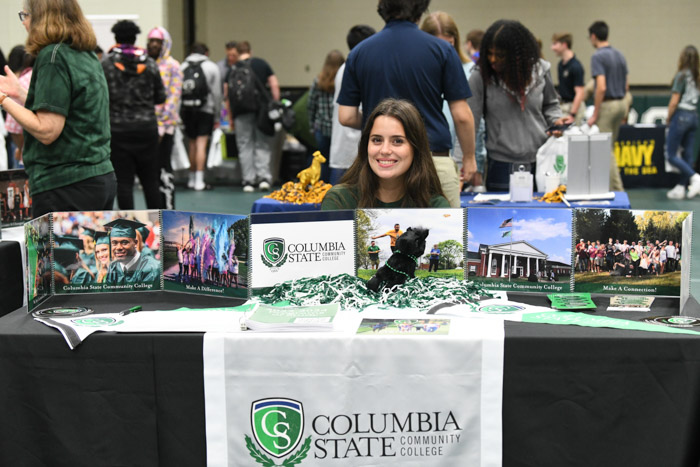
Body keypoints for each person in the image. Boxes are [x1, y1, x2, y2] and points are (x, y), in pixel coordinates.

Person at [337, 0, 476, 209]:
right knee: (445, 235)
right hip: (434, 161)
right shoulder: (442, 50)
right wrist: (469, 157)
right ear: (421, 11)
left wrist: (378, 127)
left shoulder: (358, 53)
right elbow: (462, 115)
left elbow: (346, 116)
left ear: (383, 10)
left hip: (381, 169)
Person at [0, 0, 116, 217]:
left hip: (65, 183)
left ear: (41, 18)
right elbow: (65, 110)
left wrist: (3, 99)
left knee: (61, 253)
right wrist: (19, 95)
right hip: (97, 178)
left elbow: (47, 131)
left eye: (25, 15)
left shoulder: (52, 56)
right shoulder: (85, 54)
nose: (24, 23)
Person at [468, 19, 566, 191]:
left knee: (543, 216)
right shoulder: (481, 77)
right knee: (504, 218)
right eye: (489, 53)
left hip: (541, 161)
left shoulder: (540, 70)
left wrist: (556, 120)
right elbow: (470, 122)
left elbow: (551, 105)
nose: (492, 60)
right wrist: (465, 162)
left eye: (500, 55)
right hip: (501, 167)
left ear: (517, 56)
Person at [322, 98, 450, 210]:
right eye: (377, 140)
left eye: (397, 141)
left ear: (416, 148)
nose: (385, 150)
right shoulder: (340, 200)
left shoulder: (436, 206)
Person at [420, 11, 487, 192]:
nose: (443, 51)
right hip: (428, 152)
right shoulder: (419, 70)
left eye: (448, 44)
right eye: (437, 45)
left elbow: (471, 120)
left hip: (457, 154)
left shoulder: (469, 70)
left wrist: (470, 159)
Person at [102, 20, 165, 210]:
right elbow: (160, 96)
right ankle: (160, 226)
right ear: (135, 38)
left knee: (124, 182)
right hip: (147, 129)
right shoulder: (150, 64)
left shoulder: (106, 64)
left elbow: (101, 97)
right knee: (151, 181)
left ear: (116, 38)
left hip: (118, 130)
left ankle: (128, 228)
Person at [227, 41, 280, 192]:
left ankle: (248, 181)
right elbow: (274, 85)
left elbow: (227, 95)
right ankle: (263, 178)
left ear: (237, 52)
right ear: (250, 50)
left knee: (245, 145)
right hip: (261, 111)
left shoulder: (233, 68)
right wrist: (274, 104)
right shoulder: (261, 64)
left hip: (240, 112)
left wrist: (230, 117)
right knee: (262, 143)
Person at [329, 25, 376, 185]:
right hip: (351, 150)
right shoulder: (356, 67)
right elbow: (350, 116)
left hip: (343, 149)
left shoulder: (345, 67)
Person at [587, 21, 627, 192]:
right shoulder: (619, 55)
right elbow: (626, 85)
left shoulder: (598, 56)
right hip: (621, 104)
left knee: (605, 150)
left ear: (593, 36)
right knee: (609, 148)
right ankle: (610, 188)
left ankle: (617, 192)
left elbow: (601, 87)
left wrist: (595, 113)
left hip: (608, 106)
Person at [147, 26, 182, 209]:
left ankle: (168, 209)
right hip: (145, 126)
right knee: (149, 173)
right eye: (151, 40)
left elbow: (173, 98)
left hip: (164, 128)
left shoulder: (173, 66)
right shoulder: (144, 63)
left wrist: (161, 125)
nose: (153, 44)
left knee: (163, 168)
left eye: (157, 41)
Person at [180, 43, 221, 191]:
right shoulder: (211, 67)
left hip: (187, 109)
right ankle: (199, 180)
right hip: (206, 109)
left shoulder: (182, 66)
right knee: (201, 144)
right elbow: (217, 94)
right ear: (207, 52)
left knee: (191, 143)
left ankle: (190, 179)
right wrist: (217, 115)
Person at [665, 46, 700, 200]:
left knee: (671, 154)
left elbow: (674, 102)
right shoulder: (697, 76)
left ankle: (695, 177)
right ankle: (681, 187)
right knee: (687, 155)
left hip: (681, 116)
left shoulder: (681, 76)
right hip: (693, 115)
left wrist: (668, 118)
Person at [307, 49, 345, 183]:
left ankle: (321, 189)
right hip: (338, 129)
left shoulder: (318, 81)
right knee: (337, 161)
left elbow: (311, 105)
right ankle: (334, 189)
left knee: (322, 161)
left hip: (321, 129)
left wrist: (312, 127)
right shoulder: (344, 80)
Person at [104, 218, 161, 284]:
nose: (118, 247)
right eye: (114, 243)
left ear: (135, 243)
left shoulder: (153, 268)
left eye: (124, 242)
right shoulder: (113, 267)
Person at [4, 45, 34, 167]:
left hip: (28, 154)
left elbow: (14, 128)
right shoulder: (41, 76)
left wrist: (21, 149)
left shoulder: (20, 81)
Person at [551, 33, 586, 125]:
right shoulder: (560, 65)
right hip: (564, 106)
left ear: (564, 45)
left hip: (573, 108)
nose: (552, 48)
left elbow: (580, 92)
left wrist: (572, 114)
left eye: (555, 44)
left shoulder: (576, 66)